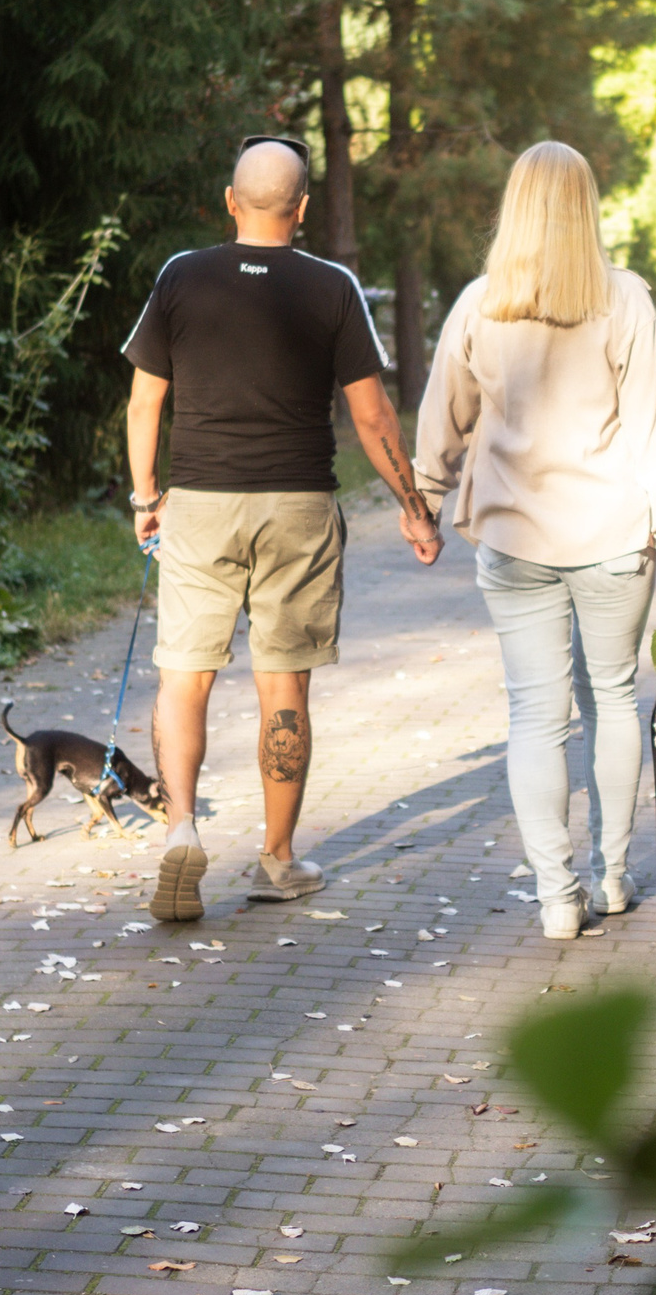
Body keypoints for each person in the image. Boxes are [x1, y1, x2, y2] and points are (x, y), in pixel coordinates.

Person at [124, 136, 442, 924]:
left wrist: (144, 497)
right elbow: (370, 415)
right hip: (299, 505)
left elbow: (143, 402)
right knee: (284, 684)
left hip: (198, 503)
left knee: (184, 676)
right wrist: (413, 505)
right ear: (301, 211)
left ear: (230, 200)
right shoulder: (332, 286)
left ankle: (181, 832)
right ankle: (276, 860)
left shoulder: (180, 276)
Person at [412, 141, 656, 941]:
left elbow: (444, 416)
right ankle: (610, 878)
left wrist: (425, 498)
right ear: (586, 207)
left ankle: (554, 896)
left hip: (512, 539)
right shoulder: (625, 301)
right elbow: (654, 429)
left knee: (536, 716)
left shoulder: (480, 303)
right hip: (613, 536)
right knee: (611, 698)